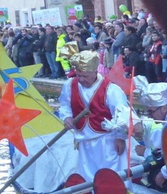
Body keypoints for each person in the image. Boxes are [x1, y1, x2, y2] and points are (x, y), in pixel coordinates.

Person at [56, 48, 133, 182]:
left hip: (107, 141)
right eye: (78, 75)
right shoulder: (69, 85)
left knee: (112, 174)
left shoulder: (111, 89)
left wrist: (120, 138)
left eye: (84, 76)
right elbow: (65, 105)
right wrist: (67, 117)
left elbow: (122, 115)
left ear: (94, 71)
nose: (80, 79)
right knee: (87, 175)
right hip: (84, 140)